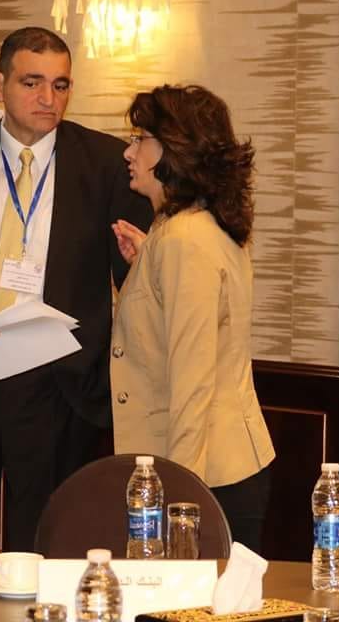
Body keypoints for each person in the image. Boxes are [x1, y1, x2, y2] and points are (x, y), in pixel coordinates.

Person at [0, 27, 154, 559]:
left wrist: (147, 263)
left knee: (45, 543)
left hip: (57, 381)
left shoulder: (106, 162)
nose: (48, 98)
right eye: (32, 82)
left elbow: (133, 280)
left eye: (60, 85)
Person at [110, 84, 276, 553]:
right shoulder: (186, 228)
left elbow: (193, 379)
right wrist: (149, 264)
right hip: (215, 467)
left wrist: (178, 499)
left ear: (173, 149)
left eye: (140, 139)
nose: (129, 152)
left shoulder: (183, 240)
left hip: (207, 476)